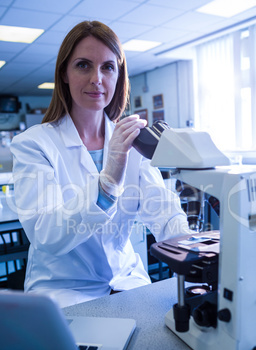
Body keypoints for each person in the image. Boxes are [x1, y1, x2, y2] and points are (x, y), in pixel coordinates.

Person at [11, 20, 191, 308]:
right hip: (63, 292)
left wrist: (195, 248)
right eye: (83, 65)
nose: (97, 78)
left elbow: (163, 212)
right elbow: (47, 235)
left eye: (108, 67)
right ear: (65, 74)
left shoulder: (132, 140)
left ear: (118, 76)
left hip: (127, 281)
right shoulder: (34, 145)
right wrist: (108, 179)